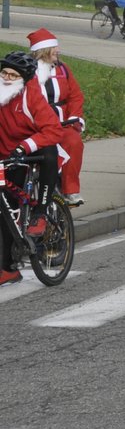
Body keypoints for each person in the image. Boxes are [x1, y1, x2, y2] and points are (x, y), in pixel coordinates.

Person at [0, 51, 65, 287]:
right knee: (6, 208)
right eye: (4, 72)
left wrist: (24, 146)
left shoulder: (32, 97)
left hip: (32, 150)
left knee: (50, 151)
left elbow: (54, 130)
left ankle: (41, 212)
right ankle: (8, 269)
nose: (7, 78)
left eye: (13, 75)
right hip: (6, 154)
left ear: (24, 79)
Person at [27, 29, 85, 205]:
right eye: (54, 47)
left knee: (74, 143)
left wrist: (75, 117)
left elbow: (75, 95)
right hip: (37, 126)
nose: (58, 50)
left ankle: (70, 190)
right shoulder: (28, 71)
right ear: (43, 51)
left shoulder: (63, 69)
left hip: (63, 124)